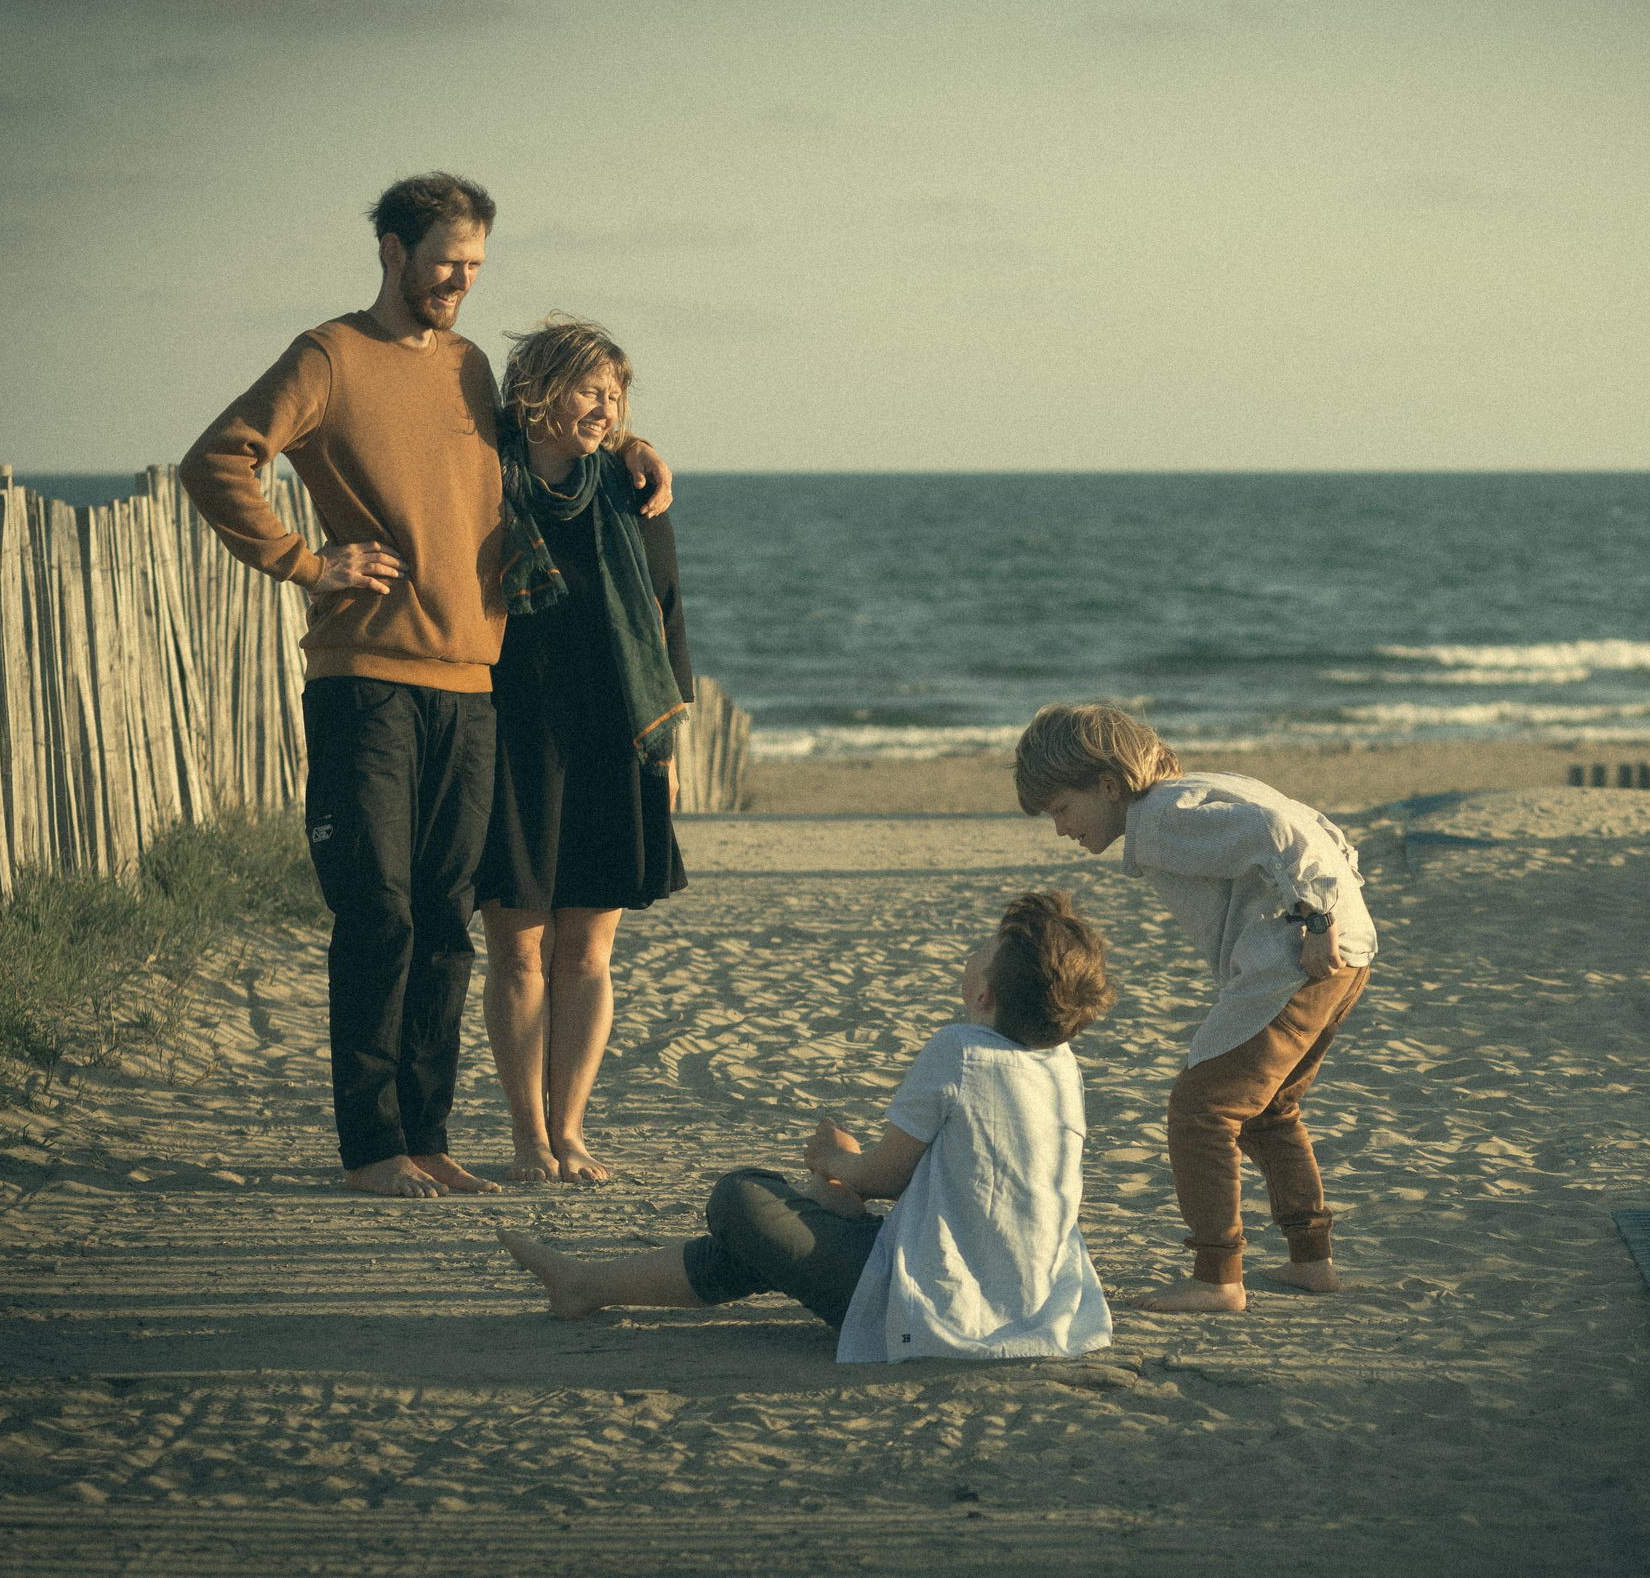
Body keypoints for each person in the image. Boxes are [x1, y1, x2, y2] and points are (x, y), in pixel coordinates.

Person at [179, 173, 672, 1199]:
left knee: (448, 918)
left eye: (476, 266)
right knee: (380, 910)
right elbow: (220, 459)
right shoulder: (329, 356)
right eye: (446, 259)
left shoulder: (465, 370)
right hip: (366, 676)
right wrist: (309, 565)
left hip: (473, 683)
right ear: (392, 253)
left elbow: (543, 446)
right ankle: (371, 1150)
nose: (460, 280)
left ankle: (427, 1136)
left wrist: (624, 439)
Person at [498, 891, 1116, 1364]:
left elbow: (887, 1176)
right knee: (779, 1235)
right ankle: (583, 1285)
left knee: (740, 1196)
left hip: (942, 1311)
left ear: (984, 994)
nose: (973, 951)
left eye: (984, 947)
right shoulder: (1060, 1066)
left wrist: (835, 1162)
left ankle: (586, 1283)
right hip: (1041, 1307)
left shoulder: (961, 1048)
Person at [1015, 703, 1377, 1313]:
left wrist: (1317, 916)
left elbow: (1277, 832)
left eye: (1061, 808)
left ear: (1108, 785)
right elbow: (1310, 822)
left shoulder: (1161, 817)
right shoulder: (1198, 791)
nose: (1060, 829)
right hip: (1344, 954)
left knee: (1201, 1108)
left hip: (1295, 963)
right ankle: (1311, 1263)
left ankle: (1217, 1278)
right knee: (1268, 1110)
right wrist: (1338, 909)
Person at [478, 315, 693, 1186]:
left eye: (618, 396)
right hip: (511, 736)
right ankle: (527, 1137)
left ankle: (569, 1131)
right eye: (591, 390)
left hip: (615, 738)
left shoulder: (633, 490)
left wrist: (669, 745)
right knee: (518, 951)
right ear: (540, 388)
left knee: (589, 954)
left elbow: (667, 615)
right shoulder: (481, 477)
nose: (607, 408)